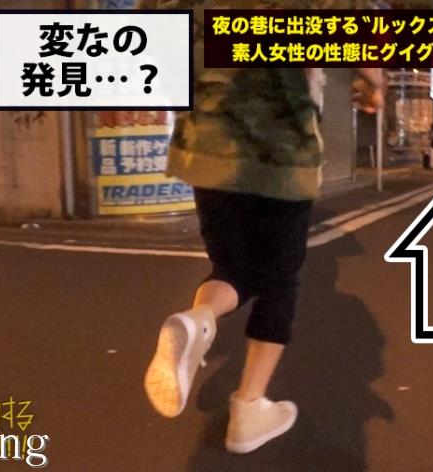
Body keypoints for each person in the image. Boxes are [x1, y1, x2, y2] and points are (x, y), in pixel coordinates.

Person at [140, 3, 384, 453]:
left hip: (207, 144)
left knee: (231, 268)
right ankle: (248, 408)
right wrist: (374, 83)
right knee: (278, 281)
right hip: (282, 152)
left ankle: (198, 321)